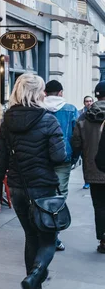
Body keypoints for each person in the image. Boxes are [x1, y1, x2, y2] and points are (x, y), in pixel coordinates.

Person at [0, 73, 66, 289]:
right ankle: (36, 276)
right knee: (48, 239)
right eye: (41, 90)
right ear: (36, 93)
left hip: (18, 189)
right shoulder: (49, 120)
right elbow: (59, 157)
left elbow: (0, 161)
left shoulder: (7, 120)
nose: (44, 94)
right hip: (43, 190)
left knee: (31, 237)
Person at [43, 80, 78, 252]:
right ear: (61, 92)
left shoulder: (39, 109)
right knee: (60, 196)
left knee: (42, 195)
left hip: (42, 159)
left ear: (45, 93)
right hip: (63, 159)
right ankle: (54, 237)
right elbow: (75, 137)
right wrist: (74, 158)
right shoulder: (71, 109)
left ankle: (42, 230)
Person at [72, 81, 105, 254]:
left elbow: (76, 142)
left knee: (99, 205)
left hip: (94, 169)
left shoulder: (85, 117)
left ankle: (103, 239)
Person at [79, 95, 94, 189]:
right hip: (85, 142)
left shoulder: (97, 111)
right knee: (86, 163)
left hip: (93, 140)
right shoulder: (80, 113)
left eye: (90, 101)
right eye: (87, 101)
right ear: (84, 103)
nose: (89, 103)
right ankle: (87, 181)